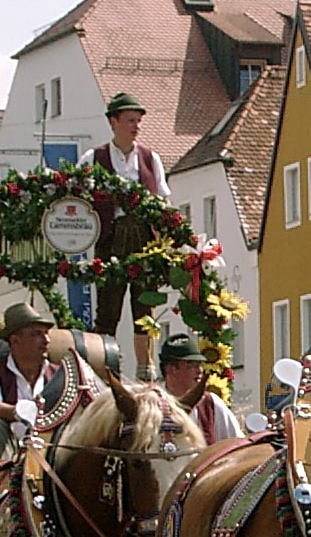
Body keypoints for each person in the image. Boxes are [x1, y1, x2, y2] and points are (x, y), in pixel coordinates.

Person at [78, 92, 170, 379]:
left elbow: (164, 200)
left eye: (138, 120)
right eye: (130, 120)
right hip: (111, 236)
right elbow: (79, 197)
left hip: (144, 237)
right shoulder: (94, 158)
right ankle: (104, 371)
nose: (136, 126)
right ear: (113, 121)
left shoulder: (150, 158)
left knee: (145, 308)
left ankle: (146, 369)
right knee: (108, 308)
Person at [0, 301, 55, 464]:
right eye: (36, 334)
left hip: (50, 456)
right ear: (15, 340)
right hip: (9, 454)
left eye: (46, 333)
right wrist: (20, 411)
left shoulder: (59, 374)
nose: (46, 340)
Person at [159, 334, 241, 445]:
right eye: (192, 365)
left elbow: (237, 444)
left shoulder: (211, 403)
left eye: (200, 364)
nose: (200, 370)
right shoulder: (152, 405)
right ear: (171, 369)